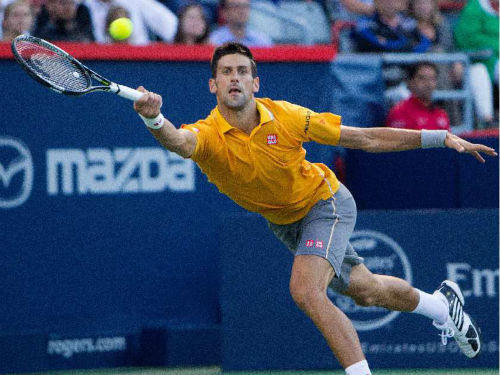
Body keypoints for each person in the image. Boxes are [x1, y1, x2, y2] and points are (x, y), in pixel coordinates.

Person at [132, 43, 496, 375]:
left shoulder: (288, 117)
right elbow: (179, 142)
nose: (234, 78)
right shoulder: (208, 134)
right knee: (366, 290)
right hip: (287, 223)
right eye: (226, 71)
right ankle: (441, 306)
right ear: (213, 85)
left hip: (326, 203)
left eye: (242, 71)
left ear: (255, 83)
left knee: (306, 291)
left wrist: (439, 137)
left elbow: (363, 137)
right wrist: (154, 119)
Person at [454, 0, 499, 127]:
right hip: (473, 61)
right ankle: (487, 120)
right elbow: (466, 38)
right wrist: (496, 45)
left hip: (497, 60)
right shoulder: (475, 7)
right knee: (479, 72)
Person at [386, 62, 450, 130]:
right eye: (422, 78)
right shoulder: (399, 112)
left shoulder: (441, 115)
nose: (428, 84)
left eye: (432, 79)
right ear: (411, 82)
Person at [83, 0, 178, 45]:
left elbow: (172, 27)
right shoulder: (82, 6)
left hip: (139, 61)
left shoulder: (137, 2)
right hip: (100, 62)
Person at [351, 0, 431, 52]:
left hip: (405, 68)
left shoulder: (408, 22)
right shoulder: (365, 23)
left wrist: (410, 49)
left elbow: (425, 42)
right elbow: (380, 46)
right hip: (377, 71)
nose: (390, 3)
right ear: (375, 2)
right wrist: (407, 45)